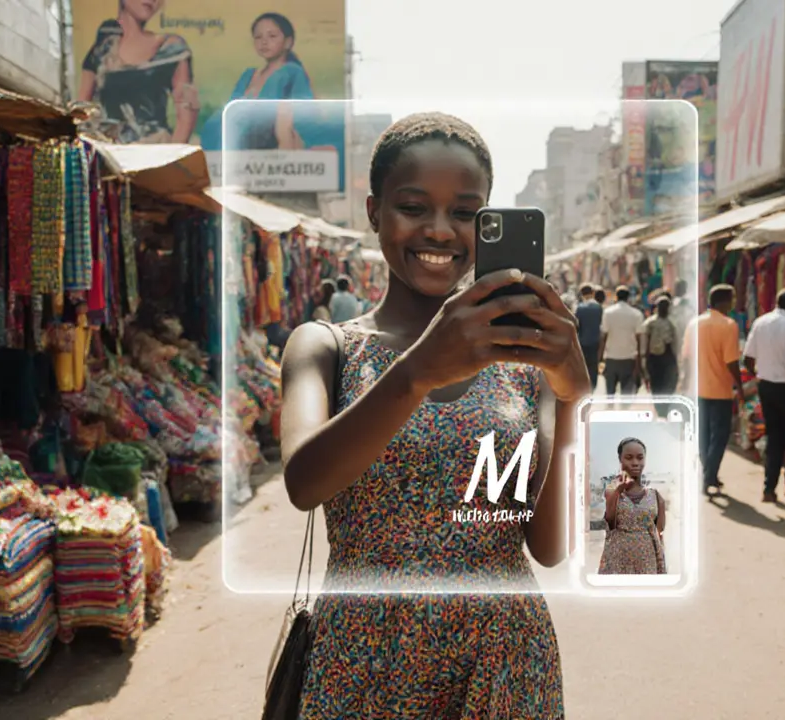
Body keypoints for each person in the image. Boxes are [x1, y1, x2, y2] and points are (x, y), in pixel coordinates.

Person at [278, 112, 586, 718]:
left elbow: (548, 546)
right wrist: (417, 371)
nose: (440, 231)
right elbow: (304, 483)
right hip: (365, 659)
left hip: (503, 658)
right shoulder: (326, 346)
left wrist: (573, 398)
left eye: (466, 213)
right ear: (375, 212)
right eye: (414, 207)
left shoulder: (526, 362)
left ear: (487, 222)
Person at [77, 0, 198, 144]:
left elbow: (187, 116)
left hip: (154, 149)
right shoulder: (101, 50)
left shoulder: (171, 48)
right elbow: (81, 112)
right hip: (110, 151)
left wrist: (171, 156)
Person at [199, 13, 316, 151]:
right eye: (258, 37)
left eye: (272, 36)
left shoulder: (292, 71)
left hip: (265, 137)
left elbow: (301, 112)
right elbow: (231, 108)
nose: (264, 42)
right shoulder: (248, 75)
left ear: (288, 42)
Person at [744, 288, 785, 502]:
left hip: (766, 387)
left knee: (774, 436)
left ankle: (769, 488)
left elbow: (747, 359)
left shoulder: (760, 323)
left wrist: (760, 374)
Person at [690, 285, 743, 495]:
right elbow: (732, 362)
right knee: (719, 437)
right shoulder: (729, 325)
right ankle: (709, 476)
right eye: (732, 299)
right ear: (725, 301)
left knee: (703, 435)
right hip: (720, 391)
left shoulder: (694, 323)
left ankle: (708, 474)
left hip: (699, 389)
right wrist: (740, 385)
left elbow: (686, 357)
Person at [600, 438, 666, 575]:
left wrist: (661, 568)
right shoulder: (612, 491)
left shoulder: (655, 496)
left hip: (647, 560)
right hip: (618, 560)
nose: (635, 463)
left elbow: (659, 534)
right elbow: (610, 522)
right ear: (620, 459)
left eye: (640, 458)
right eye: (629, 458)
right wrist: (619, 489)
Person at [600, 285, 644, 399]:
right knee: (626, 397)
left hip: (611, 358)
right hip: (629, 359)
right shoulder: (636, 314)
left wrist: (600, 358)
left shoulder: (608, 313)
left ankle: (610, 410)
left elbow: (604, 336)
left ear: (616, 297)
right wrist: (639, 363)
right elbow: (639, 339)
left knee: (610, 395)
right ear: (628, 298)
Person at [641, 297, 679, 412]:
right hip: (654, 359)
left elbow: (676, 343)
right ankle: (660, 410)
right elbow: (645, 343)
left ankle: (665, 408)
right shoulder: (650, 323)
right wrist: (644, 361)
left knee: (669, 385)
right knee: (656, 386)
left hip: (668, 358)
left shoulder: (672, 323)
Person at [574, 284, 604, 391]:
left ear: (581, 294)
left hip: (582, 343)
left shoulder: (579, 308)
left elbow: (576, 326)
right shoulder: (599, 307)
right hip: (595, 343)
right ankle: (592, 389)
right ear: (593, 293)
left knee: (583, 368)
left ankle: (583, 389)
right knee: (593, 368)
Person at [670, 279, 697, 351]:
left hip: (686, 331)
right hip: (677, 332)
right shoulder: (672, 302)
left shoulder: (689, 301)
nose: (676, 289)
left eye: (679, 287)